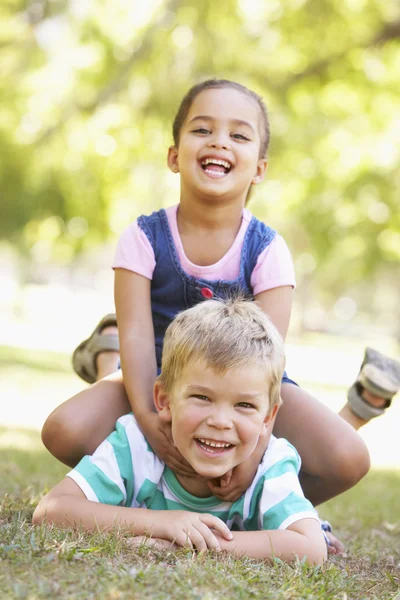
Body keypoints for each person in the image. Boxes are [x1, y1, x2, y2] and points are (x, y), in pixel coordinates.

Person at [41, 79, 400, 530]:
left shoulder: (267, 250)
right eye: (202, 130)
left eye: (239, 135)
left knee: (348, 458)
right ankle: (110, 369)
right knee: (63, 429)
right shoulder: (143, 238)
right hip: (158, 372)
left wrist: (254, 459)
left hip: (245, 384)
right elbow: (139, 338)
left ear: (260, 169)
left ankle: (273, 507)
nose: (219, 142)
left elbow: (269, 362)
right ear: (174, 156)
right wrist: (151, 420)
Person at [34, 298, 327, 565]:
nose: (221, 421)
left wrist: (191, 542)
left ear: (268, 417)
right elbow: (52, 511)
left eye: (244, 405)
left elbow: (311, 548)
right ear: (164, 400)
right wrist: (163, 523)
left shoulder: (271, 463)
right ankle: (108, 357)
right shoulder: (136, 445)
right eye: (202, 398)